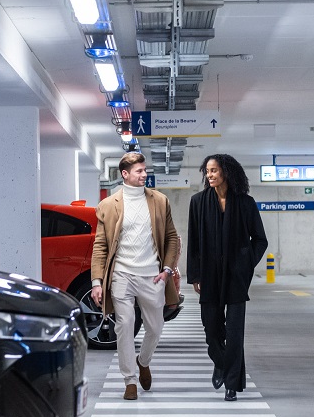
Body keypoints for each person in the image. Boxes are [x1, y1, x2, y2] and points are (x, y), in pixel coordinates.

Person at [91, 152, 180, 400]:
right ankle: (129, 380)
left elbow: (172, 237)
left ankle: (144, 360)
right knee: (124, 325)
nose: (144, 174)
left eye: (144, 170)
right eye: (139, 171)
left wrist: (167, 270)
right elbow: (100, 245)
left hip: (152, 275)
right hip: (122, 274)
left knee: (155, 327)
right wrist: (97, 282)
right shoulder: (108, 206)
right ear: (125, 174)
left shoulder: (160, 201)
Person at [186, 154, 268, 401]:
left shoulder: (245, 203)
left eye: (214, 171)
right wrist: (195, 275)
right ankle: (221, 363)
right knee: (212, 331)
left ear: (227, 173)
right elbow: (194, 243)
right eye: (207, 171)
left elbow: (260, 240)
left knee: (234, 333)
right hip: (209, 276)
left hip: (235, 278)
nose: (209, 175)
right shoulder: (198, 202)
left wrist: (245, 264)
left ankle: (232, 385)